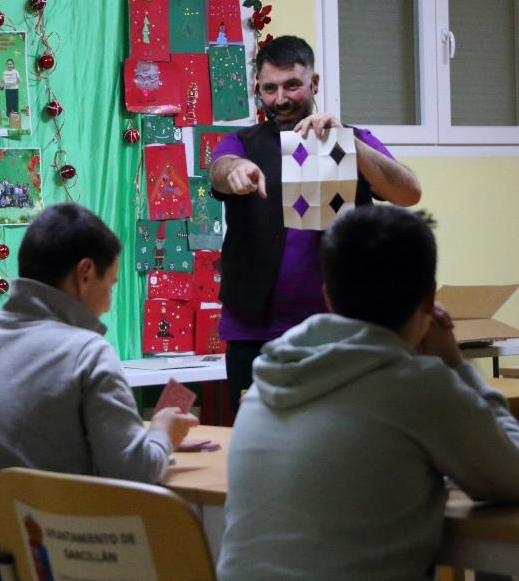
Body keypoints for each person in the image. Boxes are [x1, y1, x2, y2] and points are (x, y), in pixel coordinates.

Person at [218, 206, 519, 580]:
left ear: (328, 297)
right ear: (429, 301)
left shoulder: (265, 382)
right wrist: (456, 364)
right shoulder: (419, 386)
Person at [209, 35, 422, 411]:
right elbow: (220, 170)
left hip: (343, 330)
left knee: (346, 435)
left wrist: (347, 144)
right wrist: (236, 169)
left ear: (314, 83)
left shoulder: (354, 140)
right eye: (270, 88)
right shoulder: (242, 142)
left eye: (292, 85)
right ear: (257, 88)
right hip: (256, 332)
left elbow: (408, 192)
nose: (280, 99)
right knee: (259, 436)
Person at [0, 203, 198, 493]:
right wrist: (162, 433)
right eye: (110, 286)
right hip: (43, 522)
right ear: (85, 273)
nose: (108, 305)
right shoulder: (88, 353)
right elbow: (134, 473)